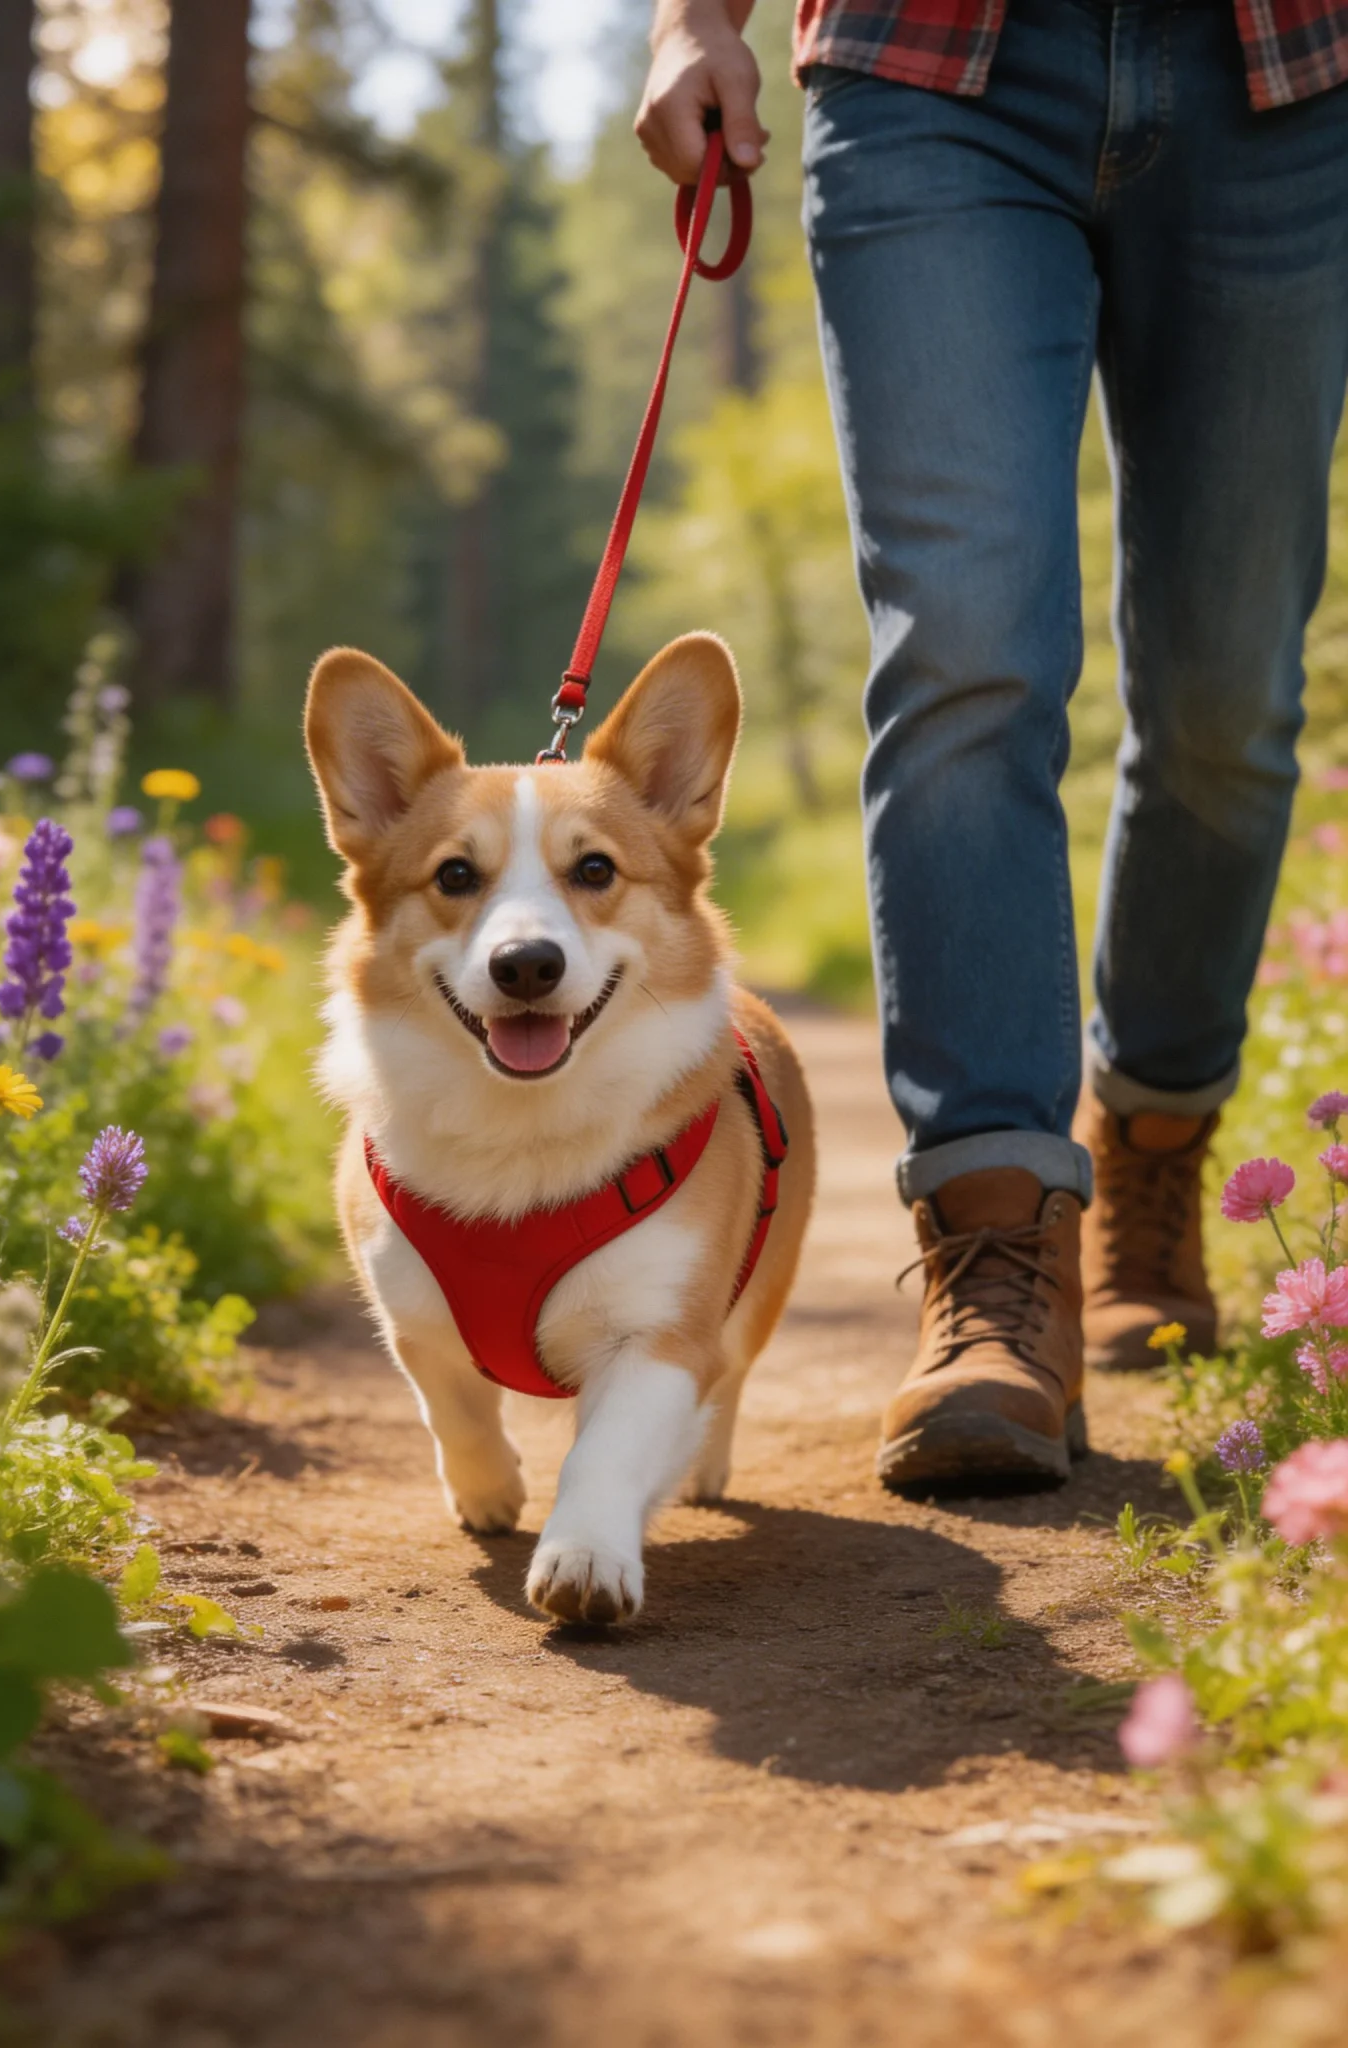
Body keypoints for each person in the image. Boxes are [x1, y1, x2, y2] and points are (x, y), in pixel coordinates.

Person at [636, 0, 1348, 1491]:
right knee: (965, 651)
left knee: (1231, 706)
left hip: (1282, 80)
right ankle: (995, 1249)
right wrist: (693, 24)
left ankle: (1150, 1138)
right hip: (930, 68)